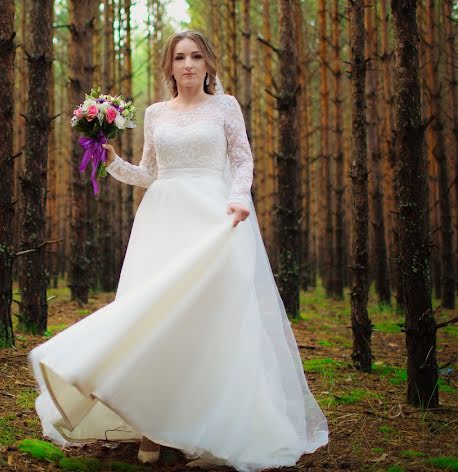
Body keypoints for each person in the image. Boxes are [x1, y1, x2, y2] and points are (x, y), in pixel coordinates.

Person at [28, 30, 329, 471]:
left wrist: (240, 198)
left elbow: (242, 159)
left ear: (208, 64)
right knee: (155, 317)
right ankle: (151, 425)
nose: (188, 65)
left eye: (196, 56)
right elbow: (150, 172)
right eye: (179, 58)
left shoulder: (226, 108)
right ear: (169, 67)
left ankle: (205, 422)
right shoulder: (154, 114)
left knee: (207, 320)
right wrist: (111, 160)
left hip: (215, 218)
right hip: (163, 222)